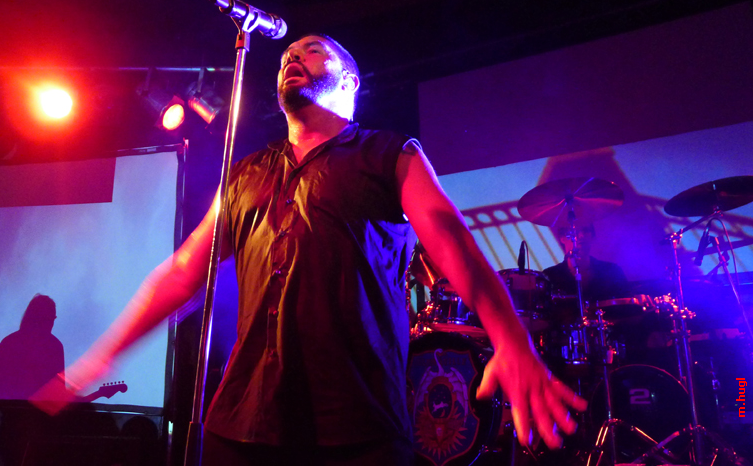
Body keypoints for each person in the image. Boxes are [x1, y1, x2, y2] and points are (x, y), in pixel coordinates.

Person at [34, 34, 586, 464]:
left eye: (314, 51)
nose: (292, 59)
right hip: (243, 425)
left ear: (350, 80)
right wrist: (99, 357)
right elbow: (183, 273)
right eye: (286, 57)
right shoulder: (244, 174)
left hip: (357, 427)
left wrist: (511, 339)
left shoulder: (388, 154)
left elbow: (453, 243)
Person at [0, 294, 64, 400]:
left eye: (51, 319)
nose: (50, 324)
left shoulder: (10, 342)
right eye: (47, 318)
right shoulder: (54, 347)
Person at [543, 223, 627, 304]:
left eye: (585, 230)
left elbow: (626, 307)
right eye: (574, 231)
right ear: (562, 238)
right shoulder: (549, 277)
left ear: (592, 237)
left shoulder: (612, 272)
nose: (581, 235)